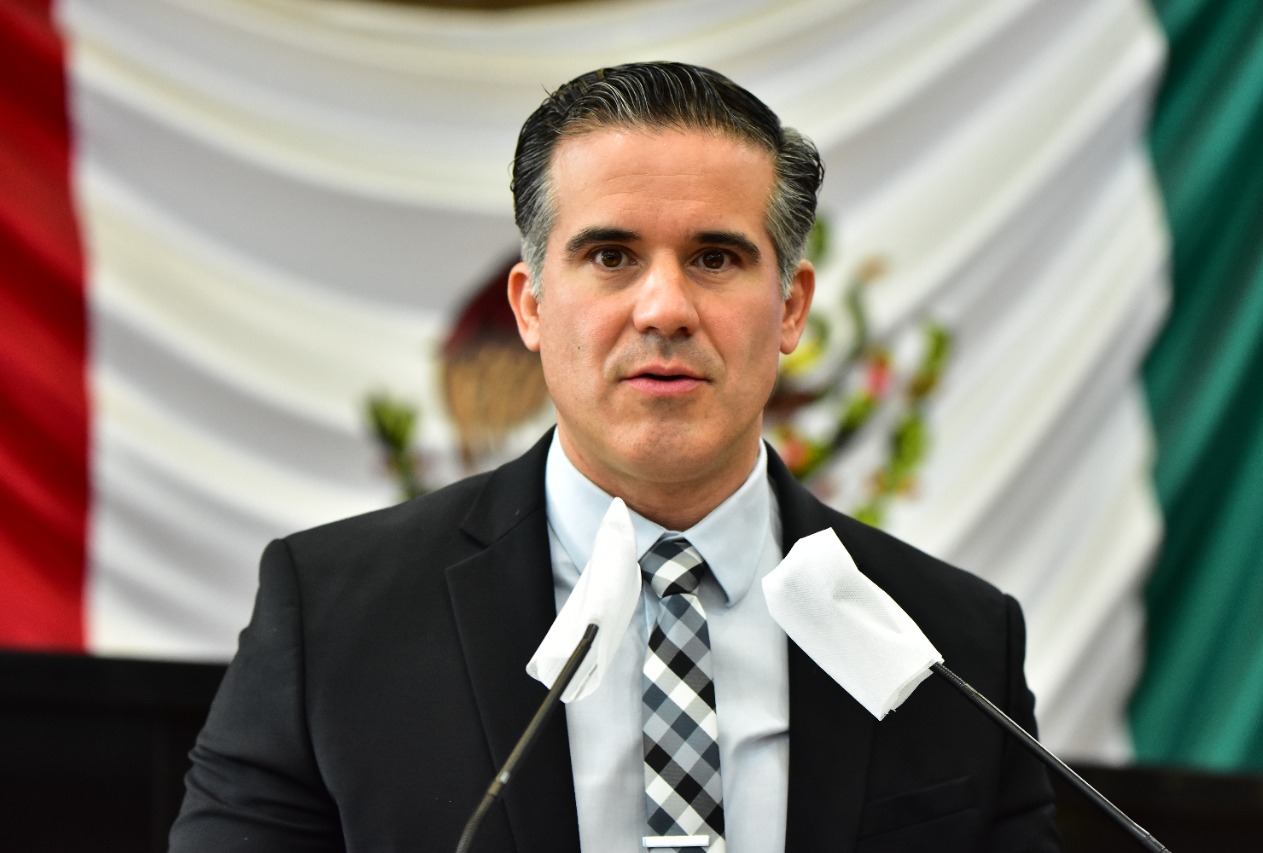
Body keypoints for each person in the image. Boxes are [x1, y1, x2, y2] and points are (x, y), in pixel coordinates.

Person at [170, 62, 1061, 852]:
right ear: (530, 306)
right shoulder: (333, 619)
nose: (664, 308)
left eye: (715, 257)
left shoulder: (954, 647)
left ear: (791, 308)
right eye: (610, 255)